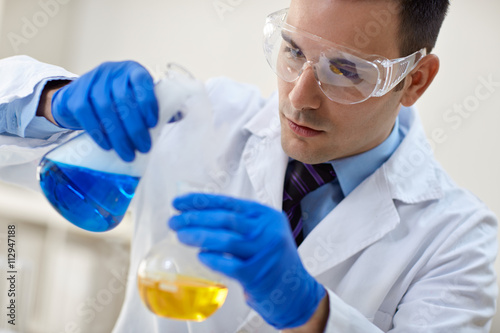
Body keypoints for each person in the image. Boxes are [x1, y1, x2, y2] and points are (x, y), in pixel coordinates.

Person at [0, 0, 497, 332]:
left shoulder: (460, 240)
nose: (300, 99)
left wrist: (312, 312)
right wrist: (53, 102)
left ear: (415, 80)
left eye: (345, 71)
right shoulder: (202, 114)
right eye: (294, 51)